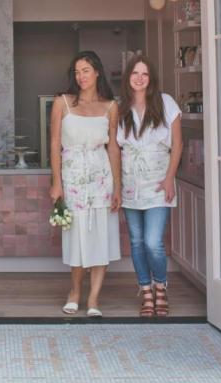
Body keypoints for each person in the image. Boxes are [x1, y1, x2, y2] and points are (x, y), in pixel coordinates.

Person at [48, 51, 122, 317]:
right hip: (73, 178)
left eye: (86, 71)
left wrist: (118, 187)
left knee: (100, 237)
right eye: (77, 72)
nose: (81, 76)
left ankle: (93, 299)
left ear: (97, 72)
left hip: (101, 177)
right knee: (77, 237)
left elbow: (113, 147)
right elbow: (55, 144)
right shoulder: (63, 103)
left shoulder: (111, 106)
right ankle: (75, 292)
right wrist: (56, 182)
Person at [117, 55, 183, 317]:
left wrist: (169, 178)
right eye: (135, 73)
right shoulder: (120, 108)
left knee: (153, 242)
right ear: (128, 78)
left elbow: (177, 144)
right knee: (136, 241)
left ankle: (160, 286)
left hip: (158, 181)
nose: (139, 78)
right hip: (130, 181)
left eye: (144, 74)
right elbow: (115, 146)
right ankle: (145, 289)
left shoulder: (166, 103)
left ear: (151, 78)